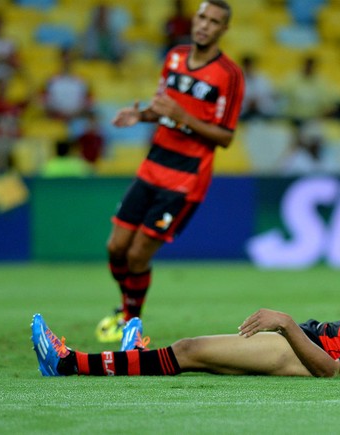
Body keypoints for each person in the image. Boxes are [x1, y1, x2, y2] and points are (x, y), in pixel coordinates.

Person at [96, 0, 244, 342]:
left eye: (214, 21)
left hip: (186, 178)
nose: (204, 25)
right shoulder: (175, 57)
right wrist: (142, 115)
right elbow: (164, 108)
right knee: (116, 248)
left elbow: (226, 137)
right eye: (201, 17)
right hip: (153, 164)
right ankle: (126, 311)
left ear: (224, 29)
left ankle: (133, 324)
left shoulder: (229, 75)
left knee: (137, 254)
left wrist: (183, 117)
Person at [31, 307, 340, 378]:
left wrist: (285, 325)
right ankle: (134, 354)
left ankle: (69, 363)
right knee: (201, 354)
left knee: (191, 350)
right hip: (305, 341)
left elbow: (332, 370)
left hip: (296, 355)